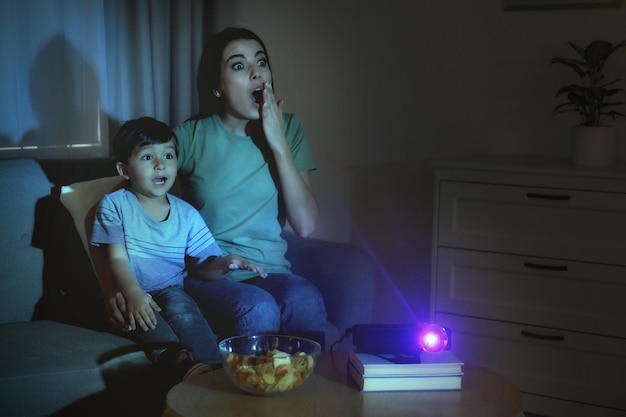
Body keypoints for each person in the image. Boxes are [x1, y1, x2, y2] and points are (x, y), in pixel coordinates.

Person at [173, 27, 327, 346]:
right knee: (258, 308)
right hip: (212, 274)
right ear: (217, 86)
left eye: (261, 62)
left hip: (271, 272)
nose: (257, 73)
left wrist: (278, 143)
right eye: (239, 65)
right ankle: (245, 395)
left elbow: (306, 225)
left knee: (306, 299)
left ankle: (306, 396)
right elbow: (141, 174)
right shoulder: (192, 136)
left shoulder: (290, 128)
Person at [90, 116, 267, 380]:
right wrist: (134, 293)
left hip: (170, 289)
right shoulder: (115, 205)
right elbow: (115, 259)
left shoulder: (187, 214)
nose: (161, 165)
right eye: (148, 157)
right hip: (125, 288)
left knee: (184, 310)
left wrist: (227, 263)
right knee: (139, 314)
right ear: (125, 170)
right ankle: (178, 360)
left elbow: (205, 268)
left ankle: (213, 370)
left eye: (169, 156)